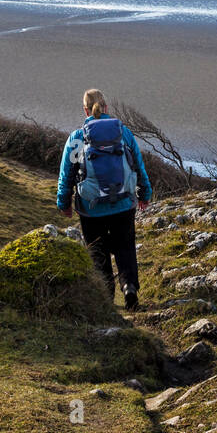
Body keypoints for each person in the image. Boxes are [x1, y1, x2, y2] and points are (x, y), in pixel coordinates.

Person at [56, 89, 152, 309]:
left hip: (91, 207)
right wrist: (144, 194)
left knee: (97, 250)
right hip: (123, 203)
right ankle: (129, 289)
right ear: (106, 107)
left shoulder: (78, 138)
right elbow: (138, 165)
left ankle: (106, 297)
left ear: (85, 110)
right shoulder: (124, 133)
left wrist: (64, 203)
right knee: (125, 245)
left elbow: (67, 173)